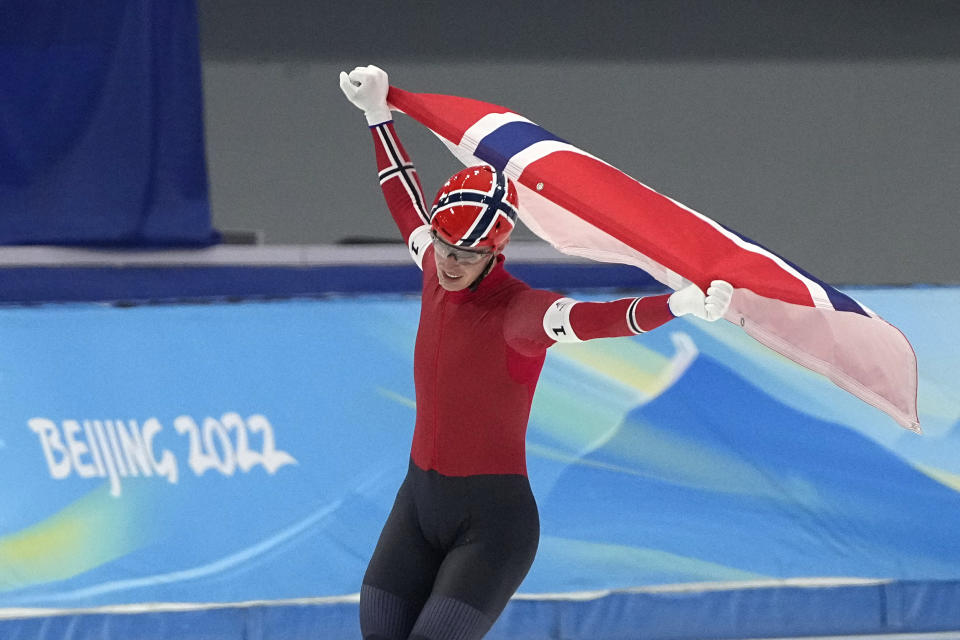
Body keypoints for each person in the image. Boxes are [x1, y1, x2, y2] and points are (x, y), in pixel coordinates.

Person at [339, 65, 733, 640]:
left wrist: (676, 306)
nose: (448, 263)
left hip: (492, 527)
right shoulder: (435, 267)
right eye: (445, 247)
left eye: (465, 256)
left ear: (494, 255)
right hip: (418, 505)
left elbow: (594, 320)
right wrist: (377, 115)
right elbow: (405, 199)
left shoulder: (519, 315)